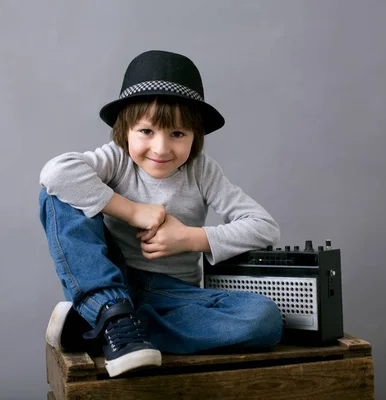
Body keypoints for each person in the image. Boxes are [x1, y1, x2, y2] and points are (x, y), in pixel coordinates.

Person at [38, 50, 283, 377]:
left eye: (178, 134)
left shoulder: (201, 171)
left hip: (173, 295)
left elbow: (265, 228)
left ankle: (108, 328)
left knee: (264, 318)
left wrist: (190, 238)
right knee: (58, 195)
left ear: (196, 136)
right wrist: (132, 211)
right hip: (113, 278)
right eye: (147, 132)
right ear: (125, 129)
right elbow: (56, 174)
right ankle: (111, 310)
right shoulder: (117, 160)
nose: (161, 148)